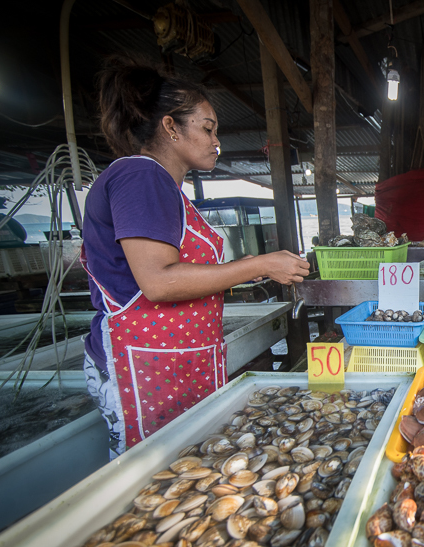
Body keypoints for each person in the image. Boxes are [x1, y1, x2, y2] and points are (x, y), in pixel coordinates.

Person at [82, 58, 312, 457]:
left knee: (185, 470)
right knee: (150, 478)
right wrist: (259, 264)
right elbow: (157, 282)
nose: (215, 141)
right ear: (170, 126)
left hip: (173, 358)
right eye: (207, 128)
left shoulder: (167, 189)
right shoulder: (141, 176)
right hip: (143, 362)